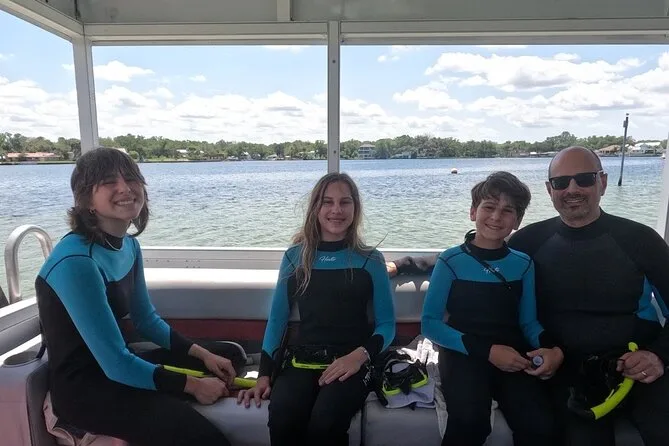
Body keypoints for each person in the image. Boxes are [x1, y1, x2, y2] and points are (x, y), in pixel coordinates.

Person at [36, 147, 240, 446]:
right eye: (109, 181)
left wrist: (204, 355)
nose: (125, 188)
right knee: (205, 439)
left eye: (131, 178)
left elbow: (146, 321)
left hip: (119, 366)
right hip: (88, 389)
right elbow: (116, 363)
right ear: (86, 200)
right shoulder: (76, 262)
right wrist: (193, 386)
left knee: (229, 356)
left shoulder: (129, 246)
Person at [507, 146, 669, 446]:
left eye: (584, 179)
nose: (572, 189)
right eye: (561, 182)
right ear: (549, 190)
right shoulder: (527, 242)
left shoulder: (641, 240)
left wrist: (658, 355)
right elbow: (482, 274)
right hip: (566, 369)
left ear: (602, 182)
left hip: (638, 364)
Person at [237, 172, 396, 446]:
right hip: (302, 359)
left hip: (352, 362)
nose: (336, 210)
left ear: (355, 208)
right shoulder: (295, 257)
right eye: (327, 202)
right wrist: (264, 374)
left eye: (345, 202)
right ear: (315, 208)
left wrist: (358, 357)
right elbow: (277, 320)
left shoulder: (370, 260)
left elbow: (387, 325)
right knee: (283, 416)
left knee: (326, 422)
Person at [422, 171, 562, 446]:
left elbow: (528, 323)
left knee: (540, 426)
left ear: (517, 221)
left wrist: (551, 349)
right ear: (473, 212)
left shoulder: (523, 264)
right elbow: (430, 324)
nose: (496, 217)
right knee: (470, 422)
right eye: (489, 207)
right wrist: (487, 351)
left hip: (513, 355)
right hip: (463, 352)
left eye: (507, 210)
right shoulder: (450, 260)